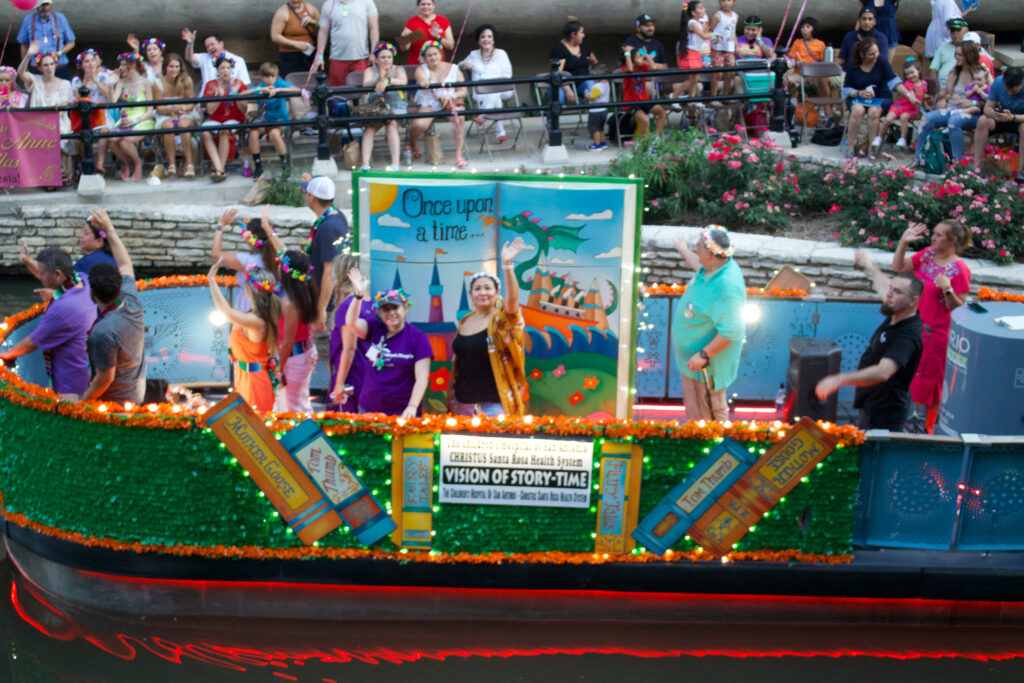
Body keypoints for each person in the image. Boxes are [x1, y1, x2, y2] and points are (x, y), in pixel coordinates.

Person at [889, 221, 971, 434]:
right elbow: (898, 268)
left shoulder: (959, 269)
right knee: (906, 373)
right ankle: (902, 422)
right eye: (933, 234)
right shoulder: (926, 255)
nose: (933, 238)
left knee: (930, 380)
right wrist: (903, 243)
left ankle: (927, 429)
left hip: (935, 333)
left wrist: (947, 289)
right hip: (912, 325)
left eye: (939, 235)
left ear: (953, 240)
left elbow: (958, 307)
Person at [815, 274, 924, 432]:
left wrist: (839, 379)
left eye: (897, 292)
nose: (889, 294)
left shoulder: (907, 336)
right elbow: (884, 290)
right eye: (890, 289)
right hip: (871, 404)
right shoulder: (897, 312)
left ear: (913, 301)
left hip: (884, 414)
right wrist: (869, 265)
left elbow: (883, 372)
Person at [671, 226, 746, 422]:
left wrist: (704, 355)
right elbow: (699, 266)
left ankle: (711, 448)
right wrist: (684, 250)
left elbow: (731, 331)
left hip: (705, 367)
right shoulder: (715, 267)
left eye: (697, 247)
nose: (696, 249)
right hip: (693, 363)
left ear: (710, 254)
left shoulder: (726, 287)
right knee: (696, 409)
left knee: (707, 413)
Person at [2, 244, 95, 400]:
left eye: (42, 274)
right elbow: (53, 281)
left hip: (70, 383)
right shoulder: (83, 280)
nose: (39, 277)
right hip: (87, 368)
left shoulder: (62, 309)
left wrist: (8, 354)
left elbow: (31, 343)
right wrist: (27, 261)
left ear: (58, 274)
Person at [448, 238, 529, 417]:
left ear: (496, 292)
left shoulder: (501, 320)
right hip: (462, 404)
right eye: (477, 289)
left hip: (494, 406)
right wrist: (450, 397)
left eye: (487, 288)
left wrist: (507, 266)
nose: (482, 292)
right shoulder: (465, 321)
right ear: (471, 294)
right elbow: (459, 363)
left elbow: (513, 300)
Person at [80, 208, 146, 405]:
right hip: (137, 389)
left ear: (92, 294)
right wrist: (109, 230)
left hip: (115, 402)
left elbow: (104, 379)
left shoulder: (102, 332)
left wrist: (82, 400)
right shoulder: (131, 300)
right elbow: (125, 265)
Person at [344, 269, 432, 417]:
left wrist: (412, 406)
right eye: (385, 309)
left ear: (405, 308)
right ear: (379, 313)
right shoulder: (375, 328)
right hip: (369, 410)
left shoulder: (418, 337)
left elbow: (422, 377)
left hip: (403, 413)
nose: (391, 312)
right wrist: (358, 295)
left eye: (395, 308)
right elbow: (351, 323)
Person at [207, 259, 281, 414]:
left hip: (254, 384)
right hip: (246, 379)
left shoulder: (257, 321)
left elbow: (227, 313)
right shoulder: (255, 316)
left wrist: (212, 281)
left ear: (248, 291)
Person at [914, 41, 989, 165]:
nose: (956, 58)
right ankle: (919, 157)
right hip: (953, 109)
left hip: (975, 113)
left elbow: (991, 99)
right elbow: (948, 94)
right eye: (956, 54)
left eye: (960, 55)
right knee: (926, 119)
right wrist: (950, 96)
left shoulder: (981, 73)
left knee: (954, 122)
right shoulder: (954, 72)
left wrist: (972, 103)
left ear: (969, 55)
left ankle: (957, 161)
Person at [16, 42, 74, 189]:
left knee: (60, 140)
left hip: (59, 123)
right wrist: (29, 55)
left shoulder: (65, 84)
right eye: (45, 65)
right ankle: (50, 179)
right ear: (40, 68)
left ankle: (60, 176)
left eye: (51, 64)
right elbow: (21, 73)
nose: (49, 68)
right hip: (38, 125)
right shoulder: (36, 81)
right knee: (41, 141)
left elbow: (65, 106)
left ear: (56, 65)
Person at [842, 37, 910, 158]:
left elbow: (894, 82)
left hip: (881, 98)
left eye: (877, 52)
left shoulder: (882, 62)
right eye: (871, 54)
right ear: (862, 55)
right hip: (858, 98)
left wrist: (909, 95)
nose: (875, 56)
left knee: (874, 111)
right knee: (857, 110)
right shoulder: (853, 66)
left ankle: (871, 148)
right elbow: (846, 89)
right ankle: (850, 146)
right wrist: (858, 93)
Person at [300, 174, 349, 333]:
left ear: (312, 198)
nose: (305, 195)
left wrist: (321, 309)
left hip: (327, 304)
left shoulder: (327, 229)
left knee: (325, 350)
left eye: (307, 193)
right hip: (329, 297)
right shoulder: (336, 214)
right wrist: (309, 186)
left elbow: (329, 271)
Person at [273, 249, 320, 413]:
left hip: (294, 357)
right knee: (298, 401)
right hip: (304, 353)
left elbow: (288, 341)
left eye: (280, 263)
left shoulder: (290, 302)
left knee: (294, 406)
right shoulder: (304, 289)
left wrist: (278, 368)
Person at [210, 208, 280, 313]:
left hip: (248, 308)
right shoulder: (278, 257)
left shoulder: (248, 261)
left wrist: (221, 224)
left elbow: (216, 254)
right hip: (269, 309)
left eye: (246, 235)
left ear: (252, 238)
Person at [410, 41, 467, 168]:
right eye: (429, 55)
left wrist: (451, 96)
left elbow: (463, 91)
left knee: (460, 118)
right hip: (429, 102)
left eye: (435, 54)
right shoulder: (421, 69)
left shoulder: (454, 68)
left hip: (449, 102)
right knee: (419, 124)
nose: (433, 57)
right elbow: (420, 78)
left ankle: (459, 156)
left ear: (440, 54)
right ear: (425, 58)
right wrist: (424, 81)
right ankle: (412, 141)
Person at [327, 242, 368, 412]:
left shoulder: (348, 305)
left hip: (351, 372)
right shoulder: (367, 301)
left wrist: (339, 383)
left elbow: (349, 348)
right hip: (364, 368)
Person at [243, 62, 299, 178]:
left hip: (280, 118)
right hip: (264, 119)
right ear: (262, 77)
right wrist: (260, 90)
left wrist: (279, 90)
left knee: (274, 133)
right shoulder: (260, 86)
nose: (270, 79)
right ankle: (258, 166)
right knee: (253, 133)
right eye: (267, 76)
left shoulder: (279, 83)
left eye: (272, 76)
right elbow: (243, 93)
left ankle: (285, 166)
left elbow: (296, 89)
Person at [459, 25, 514, 143]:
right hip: (481, 93)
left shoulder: (501, 53)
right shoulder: (473, 54)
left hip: (503, 89)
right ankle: (500, 132)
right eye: (483, 37)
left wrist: (494, 83)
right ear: (479, 41)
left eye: (489, 37)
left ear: (493, 40)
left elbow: (508, 74)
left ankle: (483, 115)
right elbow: (459, 65)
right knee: (496, 99)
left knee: (496, 92)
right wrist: (464, 64)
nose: (486, 39)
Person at [358, 42, 407, 171]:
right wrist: (377, 79)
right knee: (370, 127)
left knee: (391, 123)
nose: (386, 60)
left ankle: (395, 163)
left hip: (395, 104)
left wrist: (388, 80)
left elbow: (403, 81)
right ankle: (365, 163)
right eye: (383, 57)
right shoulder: (370, 70)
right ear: (377, 59)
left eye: (389, 57)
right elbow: (365, 83)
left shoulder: (398, 69)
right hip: (376, 106)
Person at [971, 67, 1024, 183]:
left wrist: (1013, 117)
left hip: (1019, 119)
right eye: (1007, 89)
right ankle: (977, 166)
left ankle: (1021, 171)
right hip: (1002, 116)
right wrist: (991, 112)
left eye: (1013, 91)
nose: (1010, 93)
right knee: (983, 121)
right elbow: (987, 107)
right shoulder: (998, 82)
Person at [201, 54, 248, 183]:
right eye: (222, 68)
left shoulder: (239, 83)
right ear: (217, 70)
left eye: (228, 68)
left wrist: (235, 94)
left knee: (224, 130)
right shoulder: (211, 85)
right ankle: (219, 167)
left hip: (234, 118)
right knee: (205, 132)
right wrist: (219, 96)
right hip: (216, 118)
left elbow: (244, 109)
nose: (226, 71)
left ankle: (220, 170)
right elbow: (210, 110)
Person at [110, 52, 156, 182]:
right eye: (121, 65)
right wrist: (110, 86)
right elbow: (111, 103)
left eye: (124, 65)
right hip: (124, 120)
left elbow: (149, 110)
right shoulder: (121, 83)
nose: (121, 68)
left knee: (125, 141)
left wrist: (135, 121)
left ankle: (137, 163)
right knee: (111, 140)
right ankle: (126, 162)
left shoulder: (146, 83)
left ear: (133, 65)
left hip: (142, 119)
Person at [311, 0, 379, 85]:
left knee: (361, 92)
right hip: (337, 59)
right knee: (339, 93)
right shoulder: (328, 4)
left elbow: (374, 29)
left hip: (361, 58)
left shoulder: (367, 2)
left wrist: (373, 52)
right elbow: (323, 31)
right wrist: (319, 55)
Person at [785, 17, 839, 122]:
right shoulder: (797, 42)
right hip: (799, 73)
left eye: (808, 27)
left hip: (816, 75)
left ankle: (826, 110)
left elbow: (824, 63)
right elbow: (791, 61)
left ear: (813, 29)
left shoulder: (820, 44)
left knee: (823, 80)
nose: (804, 29)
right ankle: (793, 108)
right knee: (789, 81)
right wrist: (797, 63)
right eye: (803, 27)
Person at [154, 53, 199, 178]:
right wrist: (171, 110)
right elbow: (158, 107)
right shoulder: (157, 83)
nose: (174, 70)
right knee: (168, 127)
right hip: (165, 115)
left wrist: (182, 108)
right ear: (165, 67)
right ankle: (171, 164)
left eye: (176, 67)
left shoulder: (187, 81)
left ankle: (190, 164)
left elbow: (191, 104)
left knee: (183, 125)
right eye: (171, 66)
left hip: (185, 113)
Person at [71, 49, 115, 175]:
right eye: (86, 61)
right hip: (85, 117)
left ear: (97, 62)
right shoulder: (76, 80)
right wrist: (86, 81)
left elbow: (108, 97)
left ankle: (100, 164)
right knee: (79, 138)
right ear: (81, 64)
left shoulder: (104, 77)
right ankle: (87, 162)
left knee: (104, 131)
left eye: (92, 60)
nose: (90, 64)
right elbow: (78, 100)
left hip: (102, 116)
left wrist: (95, 80)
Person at [17, 0, 75, 80]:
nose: (43, 7)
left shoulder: (59, 18)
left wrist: (58, 53)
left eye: (45, 4)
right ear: (36, 6)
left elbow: (71, 43)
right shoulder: (28, 20)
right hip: (38, 69)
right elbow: (23, 45)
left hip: (59, 68)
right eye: (41, 5)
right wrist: (25, 68)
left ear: (50, 5)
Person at [877, 58, 925, 150]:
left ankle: (903, 138)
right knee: (888, 118)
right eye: (907, 74)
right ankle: (879, 137)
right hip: (902, 106)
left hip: (912, 108)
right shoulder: (907, 84)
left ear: (919, 70)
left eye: (912, 72)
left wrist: (926, 101)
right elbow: (911, 95)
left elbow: (923, 95)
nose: (910, 76)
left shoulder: (924, 84)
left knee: (904, 117)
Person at [621, 43, 668, 137]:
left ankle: (655, 138)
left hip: (644, 100)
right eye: (639, 57)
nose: (641, 59)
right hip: (631, 103)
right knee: (645, 120)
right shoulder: (625, 68)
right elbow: (630, 68)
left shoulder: (642, 67)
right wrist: (627, 53)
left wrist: (646, 55)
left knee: (662, 112)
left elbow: (654, 67)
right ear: (632, 59)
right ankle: (644, 144)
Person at [181, 28, 250, 93]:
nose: (210, 48)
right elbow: (189, 58)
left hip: (230, 100)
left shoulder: (238, 60)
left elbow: (244, 84)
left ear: (221, 44)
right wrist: (190, 44)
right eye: (207, 47)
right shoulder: (204, 57)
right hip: (207, 99)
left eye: (212, 44)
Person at [928, 17, 993, 84]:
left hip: (966, 84)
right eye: (952, 30)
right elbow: (933, 68)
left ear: (967, 31)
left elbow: (992, 62)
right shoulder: (942, 48)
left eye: (958, 29)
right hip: (943, 84)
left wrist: (1003, 67)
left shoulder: (974, 47)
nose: (955, 33)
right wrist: (934, 87)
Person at [550, 20, 598, 104]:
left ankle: (595, 116)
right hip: (564, 84)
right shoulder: (559, 49)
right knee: (558, 99)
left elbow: (595, 63)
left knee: (592, 87)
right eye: (581, 32)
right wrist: (568, 90)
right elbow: (557, 73)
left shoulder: (584, 47)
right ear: (573, 34)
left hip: (583, 83)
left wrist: (597, 76)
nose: (584, 35)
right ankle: (552, 117)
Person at [674, 1, 713, 100]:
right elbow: (703, 36)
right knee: (693, 80)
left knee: (694, 79)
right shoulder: (693, 23)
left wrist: (705, 30)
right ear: (693, 13)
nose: (704, 9)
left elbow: (700, 35)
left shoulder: (696, 23)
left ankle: (692, 99)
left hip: (695, 52)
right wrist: (715, 34)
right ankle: (674, 96)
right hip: (690, 52)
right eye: (701, 8)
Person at [270, 0, 320, 76]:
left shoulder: (311, 9)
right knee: (292, 79)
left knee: (310, 79)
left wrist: (313, 22)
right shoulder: (282, 12)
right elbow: (275, 36)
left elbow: (323, 26)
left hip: (309, 53)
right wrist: (295, 44)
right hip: (290, 55)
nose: (295, 1)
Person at [399, 0, 454, 66]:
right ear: (418, 6)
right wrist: (404, 38)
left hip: (437, 65)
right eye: (423, 4)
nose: (426, 6)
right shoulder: (412, 22)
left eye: (429, 4)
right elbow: (404, 48)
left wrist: (438, 37)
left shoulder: (443, 20)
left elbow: (451, 46)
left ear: (433, 6)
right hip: (417, 65)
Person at [708, 0, 738, 98]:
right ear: (719, 3)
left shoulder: (735, 16)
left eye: (728, 0)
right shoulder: (717, 16)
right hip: (718, 49)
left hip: (729, 49)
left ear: (733, 2)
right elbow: (710, 30)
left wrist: (736, 46)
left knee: (729, 74)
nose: (726, 3)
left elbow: (733, 31)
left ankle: (725, 96)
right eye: (723, 1)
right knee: (718, 74)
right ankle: (714, 96)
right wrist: (713, 39)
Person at [583, 63, 610, 151]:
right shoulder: (606, 84)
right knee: (601, 128)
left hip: (595, 111)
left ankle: (597, 145)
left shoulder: (597, 87)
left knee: (595, 129)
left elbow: (591, 97)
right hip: (604, 110)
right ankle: (603, 143)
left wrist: (586, 93)